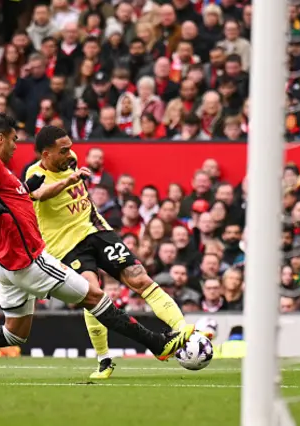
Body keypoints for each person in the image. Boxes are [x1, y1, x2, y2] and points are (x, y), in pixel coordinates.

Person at [0, 113, 194, 379]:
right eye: (13, 139)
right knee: (96, 297)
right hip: (29, 261)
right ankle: (158, 344)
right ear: (0, 138)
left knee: (14, 333)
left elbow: (11, 199)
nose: (16, 146)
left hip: (5, 264)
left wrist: (26, 189)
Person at [24, 125, 190, 378]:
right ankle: (104, 359)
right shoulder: (34, 174)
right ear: (46, 154)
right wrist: (69, 180)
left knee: (139, 278)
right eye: (63, 150)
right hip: (67, 247)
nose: (70, 154)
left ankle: (181, 329)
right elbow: (38, 194)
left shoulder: (71, 161)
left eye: (71, 147)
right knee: (94, 295)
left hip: (97, 230)